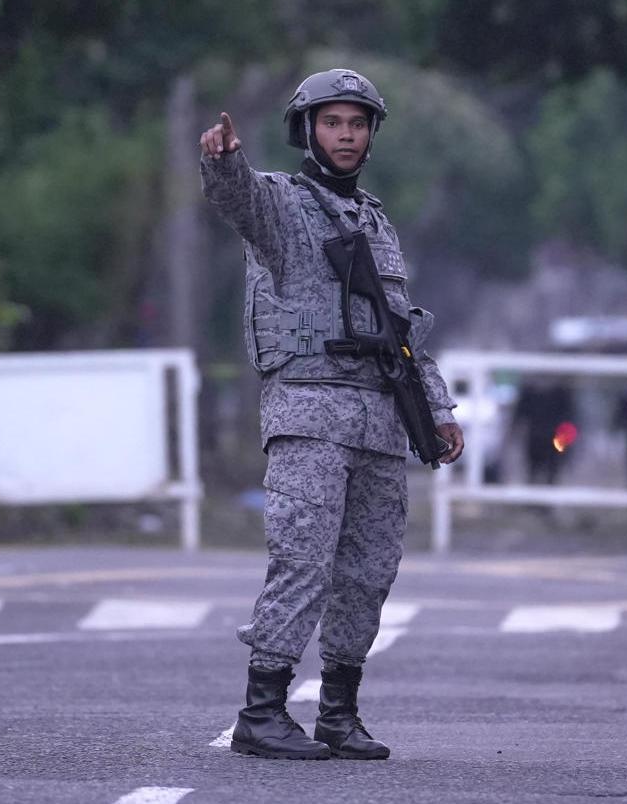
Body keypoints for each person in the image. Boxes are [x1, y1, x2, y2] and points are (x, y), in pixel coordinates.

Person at [200, 67, 465, 761]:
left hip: (379, 418)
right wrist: (224, 162)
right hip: (309, 412)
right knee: (302, 561)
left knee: (369, 572)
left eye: (356, 123)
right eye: (331, 123)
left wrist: (435, 407)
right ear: (306, 130)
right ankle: (261, 711)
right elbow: (240, 201)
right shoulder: (284, 206)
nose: (345, 136)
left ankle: (338, 712)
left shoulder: (375, 221)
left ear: (371, 133)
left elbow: (401, 327)